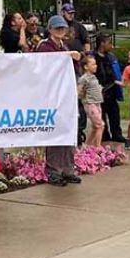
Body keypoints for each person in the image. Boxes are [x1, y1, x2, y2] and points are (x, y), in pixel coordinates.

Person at [35, 16, 83, 184]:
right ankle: (54, 170)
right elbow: (44, 65)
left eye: (62, 29)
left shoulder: (65, 46)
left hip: (66, 95)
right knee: (55, 132)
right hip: (51, 95)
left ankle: (68, 168)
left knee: (68, 130)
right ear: (50, 30)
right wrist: (66, 56)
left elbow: (73, 70)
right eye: (57, 29)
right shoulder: (44, 46)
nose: (60, 31)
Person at [91, 34, 126, 147]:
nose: (110, 45)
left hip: (111, 89)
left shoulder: (110, 57)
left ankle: (117, 134)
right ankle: (104, 135)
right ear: (102, 43)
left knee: (114, 113)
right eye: (108, 43)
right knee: (101, 114)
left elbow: (115, 72)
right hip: (98, 90)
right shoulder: (93, 57)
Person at [78, 56, 105, 148]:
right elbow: (78, 91)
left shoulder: (93, 77)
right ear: (86, 67)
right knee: (100, 125)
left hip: (97, 103)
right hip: (90, 104)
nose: (95, 66)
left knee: (95, 126)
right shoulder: (84, 78)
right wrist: (81, 97)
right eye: (93, 64)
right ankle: (98, 147)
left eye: (95, 64)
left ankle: (87, 146)